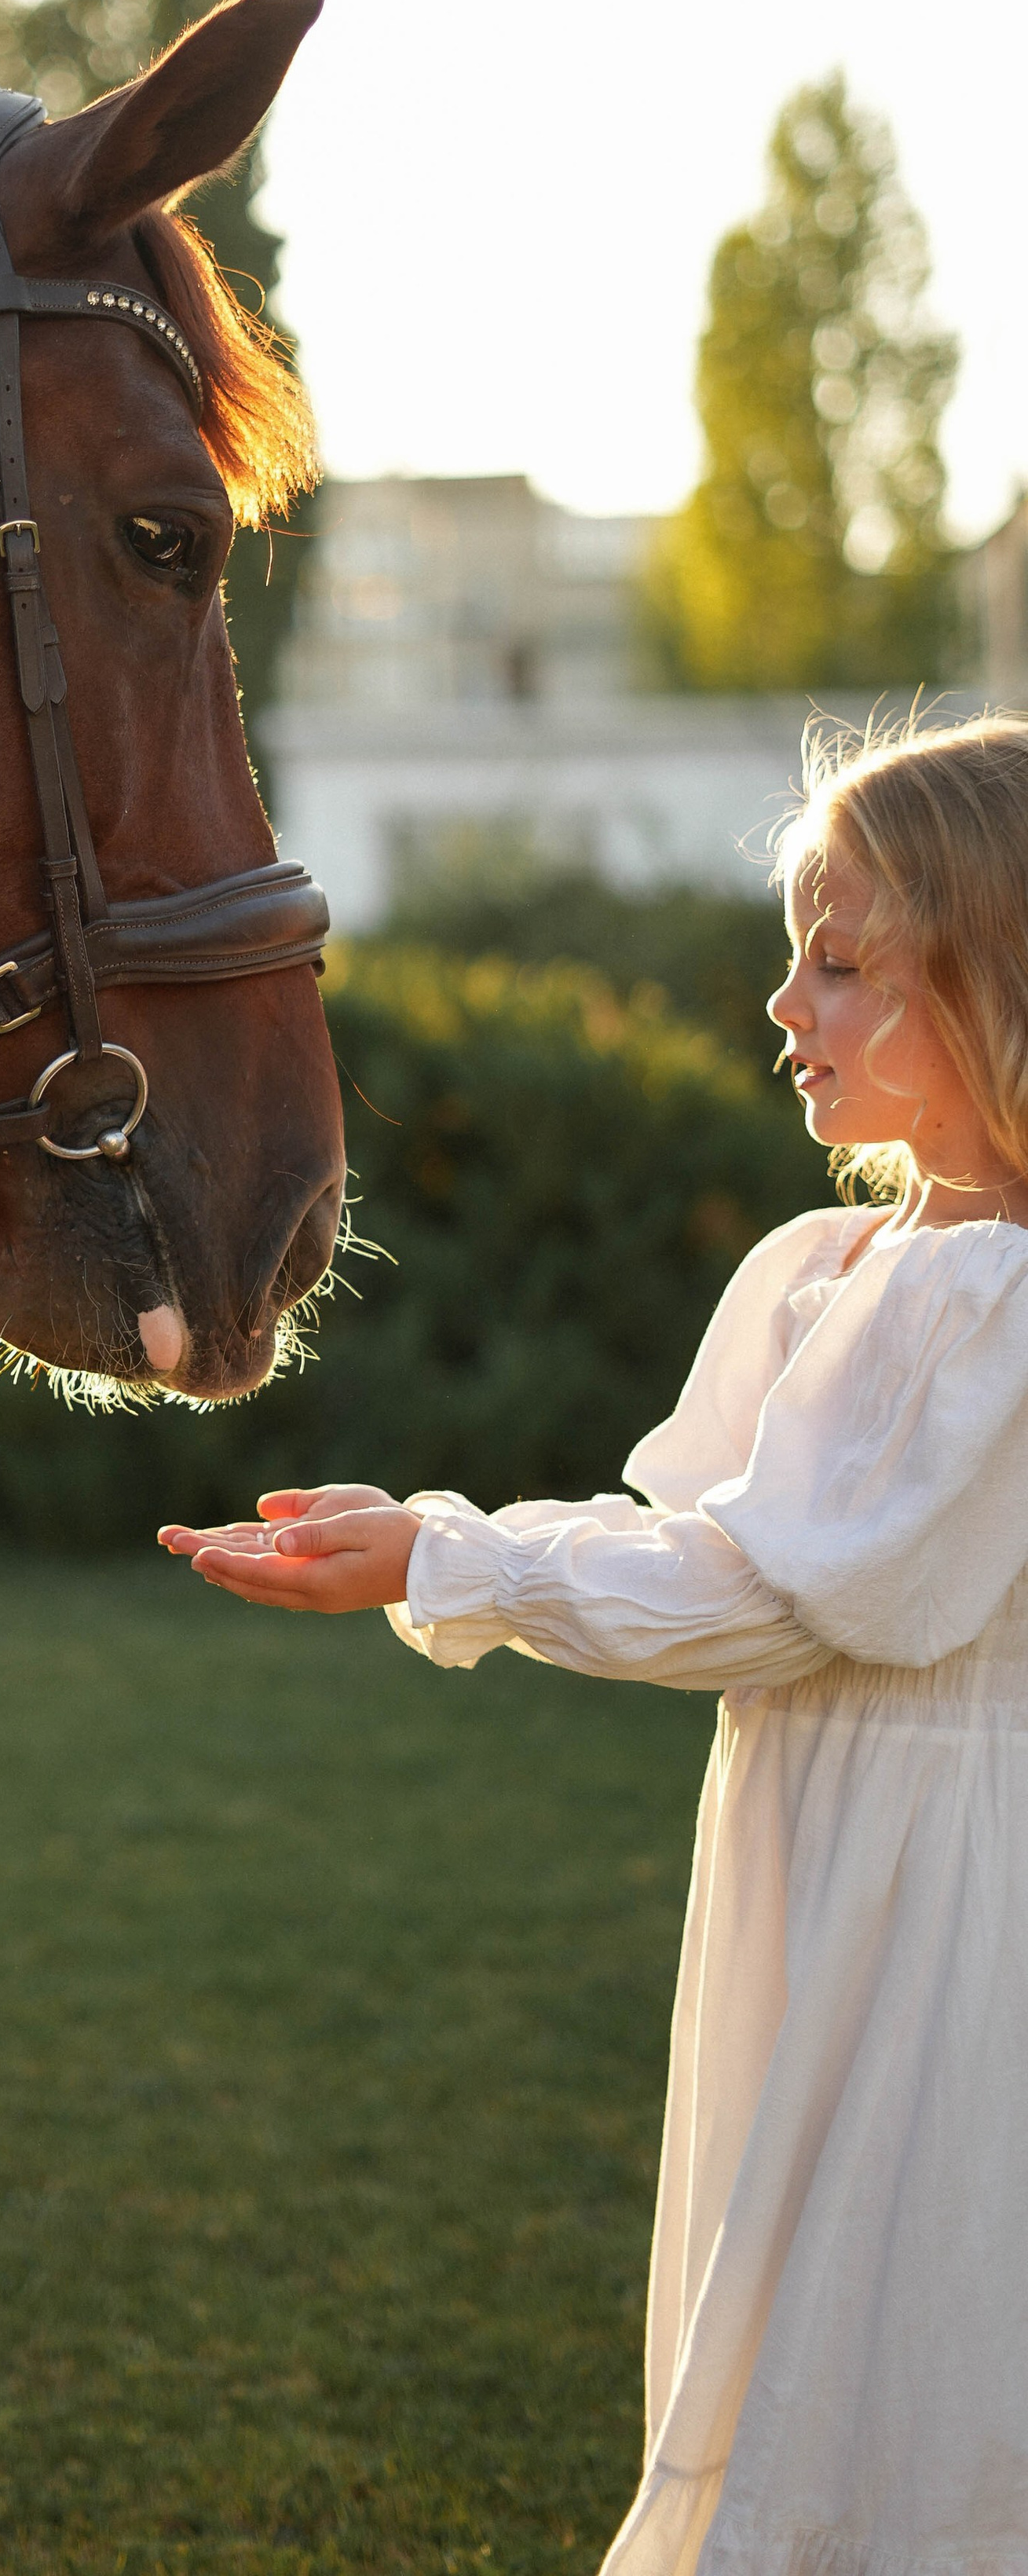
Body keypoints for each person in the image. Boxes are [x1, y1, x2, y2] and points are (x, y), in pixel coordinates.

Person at [160, 715, 1028, 2576]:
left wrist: (442, 1562)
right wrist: (429, 1543)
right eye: (793, 947)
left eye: (842, 959)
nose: (779, 996)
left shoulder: (999, 1300)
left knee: (904, 2350)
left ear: (998, 976)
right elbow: (701, 1543)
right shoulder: (832, 1268)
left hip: (954, 1898)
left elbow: (751, 1600)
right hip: (822, 1862)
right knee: (795, 2310)